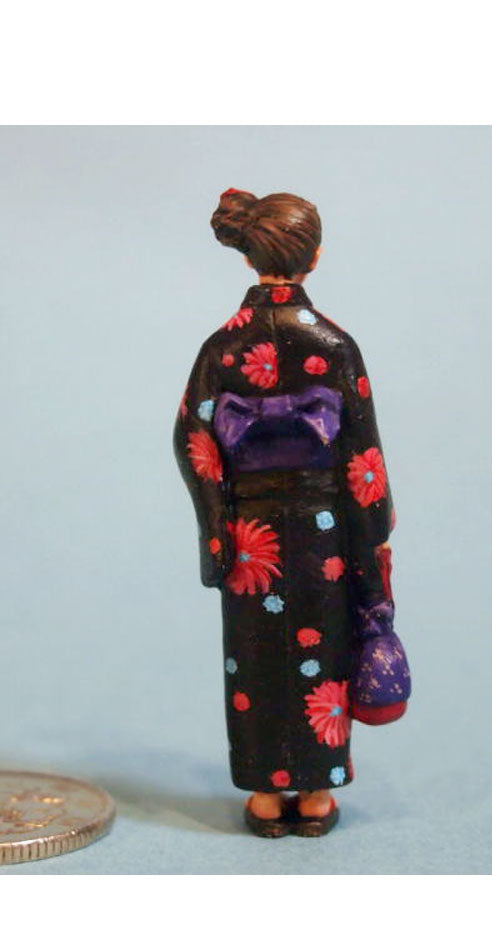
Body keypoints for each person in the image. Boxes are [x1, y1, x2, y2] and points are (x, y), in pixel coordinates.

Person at [174, 189, 409, 837]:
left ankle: (264, 793)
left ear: (249, 255)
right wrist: (372, 535)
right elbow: (362, 454)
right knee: (322, 651)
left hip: (252, 535)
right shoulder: (335, 345)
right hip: (323, 530)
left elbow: (192, 438)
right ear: (315, 256)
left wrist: (218, 530)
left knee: (255, 657)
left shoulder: (222, 348)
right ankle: (314, 793)